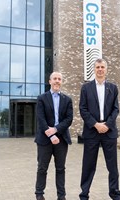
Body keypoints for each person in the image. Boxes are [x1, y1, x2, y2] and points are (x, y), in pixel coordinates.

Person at [79, 58, 120, 200]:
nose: (100, 69)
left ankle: (115, 193)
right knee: (88, 165)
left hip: (109, 132)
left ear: (106, 69)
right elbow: (83, 109)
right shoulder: (86, 88)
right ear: (94, 69)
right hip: (92, 132)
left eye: (102, 67)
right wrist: (96, 125)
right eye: (97, 67)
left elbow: (116, 109)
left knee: (112, 166)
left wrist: (107, 125)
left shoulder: (113, 88)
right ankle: (84, 194)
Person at [34, 72, 73, 200]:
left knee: (60, 169)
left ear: (61, 82)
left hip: (61, 140)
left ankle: (61, 196)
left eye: (59, 79)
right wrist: (51, 135)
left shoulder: (67, 100)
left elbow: (69, 119)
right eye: (55, 79)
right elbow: (40, 119)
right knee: (42, 168)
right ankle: (39, 194)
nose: (57, 81)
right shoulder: (41, 98)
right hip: (44, 140)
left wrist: (56, 130)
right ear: (49, 81)